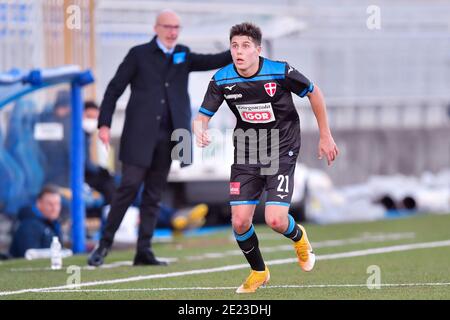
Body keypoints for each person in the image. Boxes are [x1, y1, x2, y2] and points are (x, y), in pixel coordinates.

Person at [193, 22, 339, 293]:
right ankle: (259, 271)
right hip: (247, 152)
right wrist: (200, 130)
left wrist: (325, 135)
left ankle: (298, 237)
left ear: (258, 50)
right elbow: (202, 116)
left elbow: (314, 93)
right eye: (235, 46)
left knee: (275, 220)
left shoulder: (280, 71)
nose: (239, 51)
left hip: (282, 148)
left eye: (246, 46)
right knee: (239, 221)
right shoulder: (222, 79)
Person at [88, 10, 232, 267]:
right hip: (138, 136)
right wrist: (104, 123)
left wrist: (240, 47)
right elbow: (113, 89)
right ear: (156, 28)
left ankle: (144, 251)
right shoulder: (138, 54)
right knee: (128, 188)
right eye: (167, 27)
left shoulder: (183, 53)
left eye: (177, 27)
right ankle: (104, 245)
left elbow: (213, 60)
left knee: (155, 194)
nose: (172, 32)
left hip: (170, 137)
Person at [82, 101, 116, 217]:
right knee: (109, 182)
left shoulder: (87, 135)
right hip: (76, 178)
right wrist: (101, 171)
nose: (92, 121)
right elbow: (85, 164)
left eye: (95, 118)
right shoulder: (76, 134)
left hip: (85, 175)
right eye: (89, 117)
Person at [9, 185, 63, 258]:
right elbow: (30, 256)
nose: (54, 209)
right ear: (39, 203)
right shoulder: (29, 225)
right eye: (50, 204)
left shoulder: (54, 224)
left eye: (57, 204)